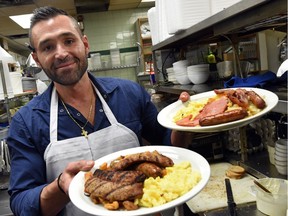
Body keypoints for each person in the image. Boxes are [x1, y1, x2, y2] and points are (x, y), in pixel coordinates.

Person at [7, 6, 192, 216]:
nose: (61, 53)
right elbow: (22, 203)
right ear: (38, 59)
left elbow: (170, 148)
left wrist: (183, 123)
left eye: (69, 41)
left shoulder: (129, 94)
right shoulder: (26, 122)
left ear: (85, 44)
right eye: (48, 47)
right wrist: (59, 187)